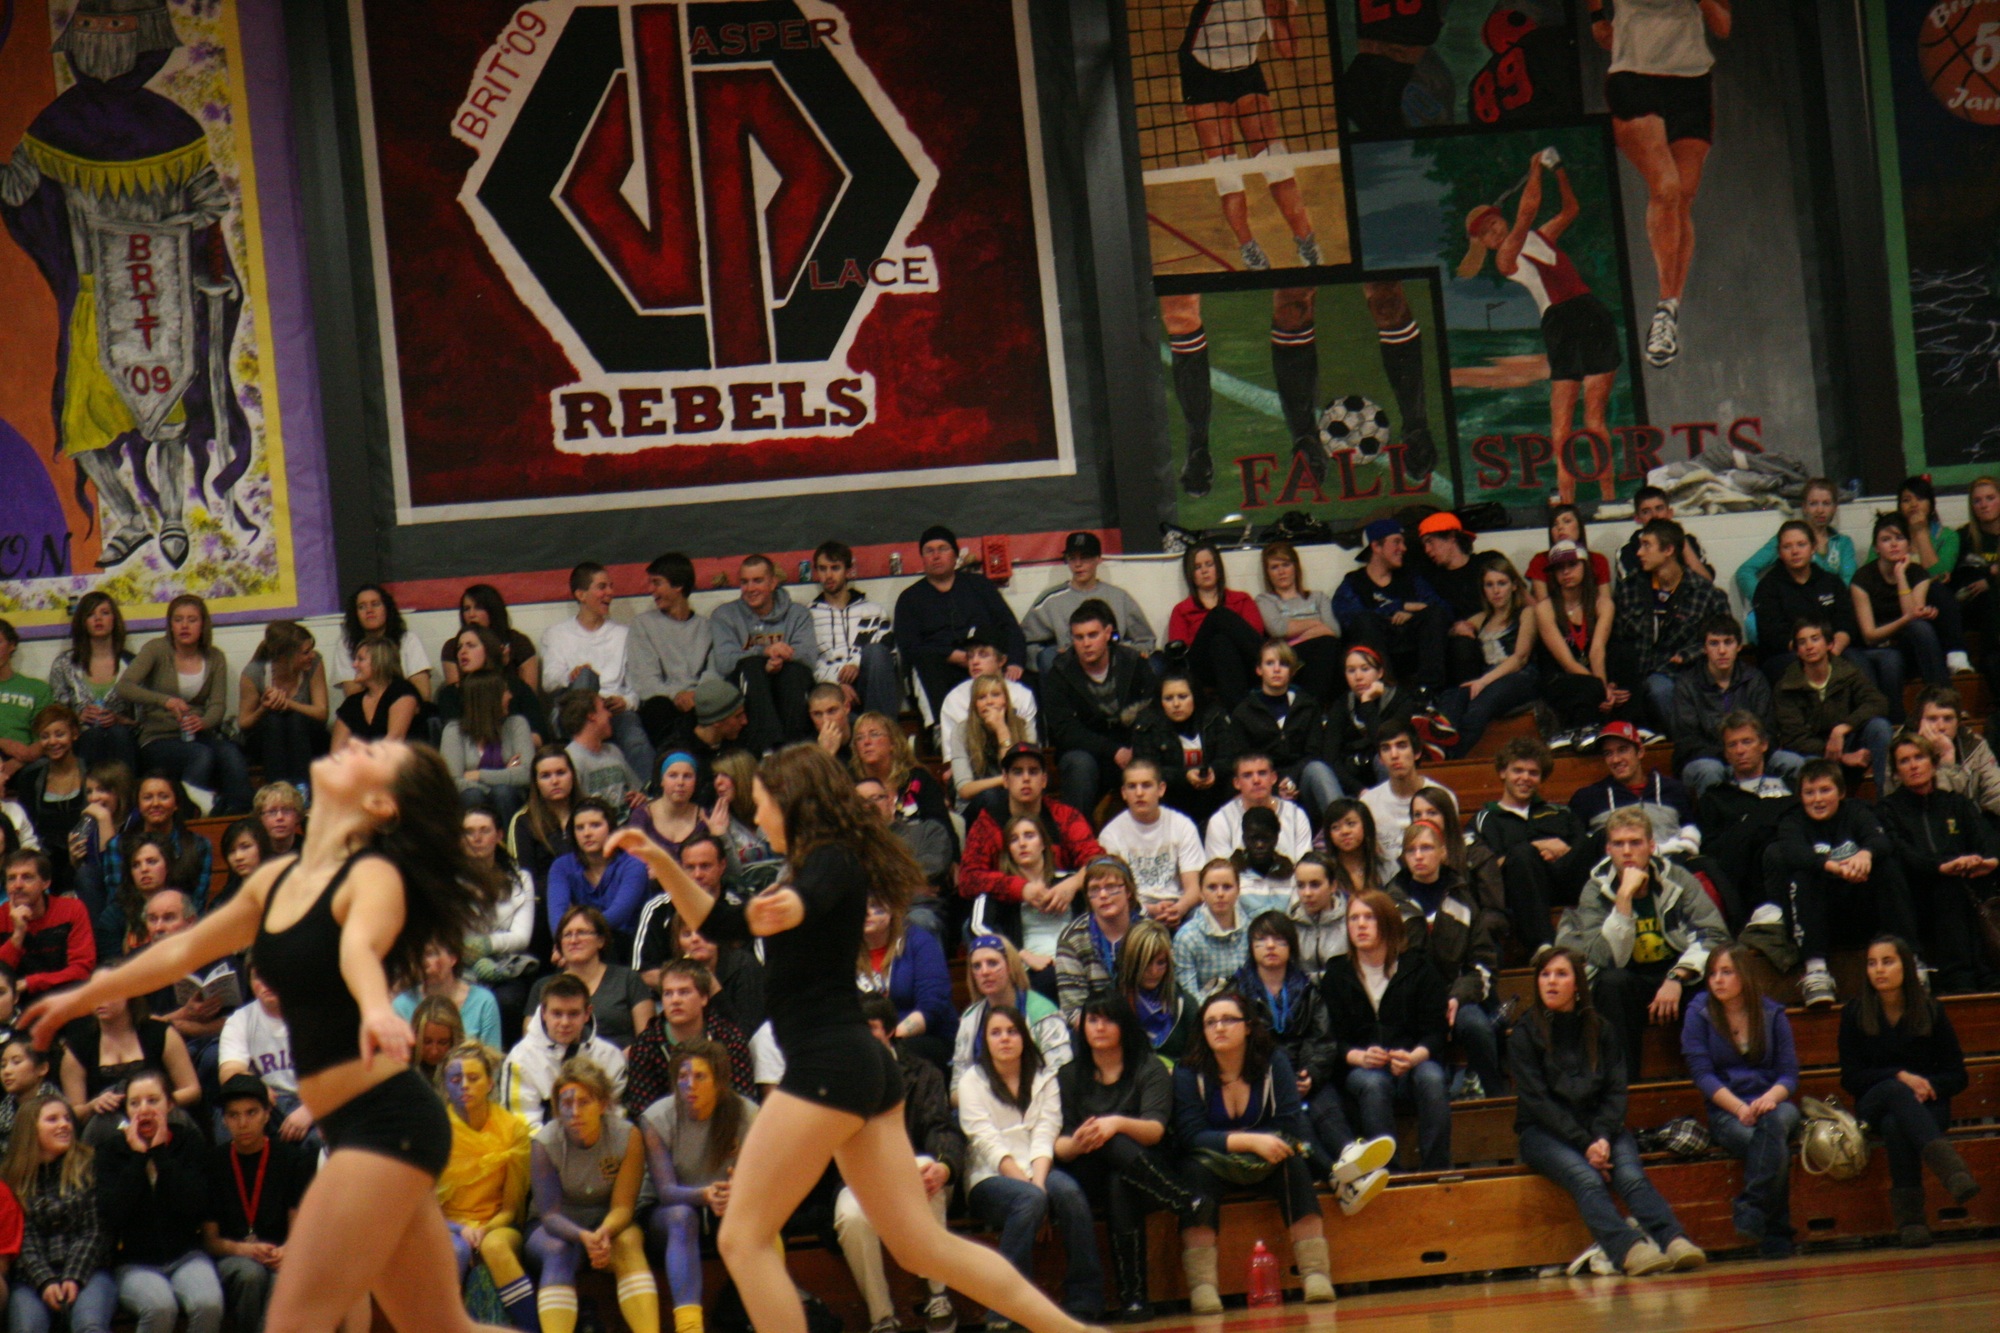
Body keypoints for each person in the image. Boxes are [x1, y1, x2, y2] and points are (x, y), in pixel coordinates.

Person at [25, 733, 528, 1333]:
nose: (355, 746)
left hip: (386, 1123)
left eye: (374, 756)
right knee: (443, 1327)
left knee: (294, 1320)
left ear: (380, 804)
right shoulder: (278, 879)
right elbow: (182, 948)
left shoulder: (373, 876)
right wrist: (86, 994)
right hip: (360, 1125)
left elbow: (359, 947)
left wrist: (376, 1008)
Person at [606, 746, 1106, 1333]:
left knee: (741, 1237)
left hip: (828, 1068)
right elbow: (722, 923)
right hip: (855, 1068)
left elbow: (790, 906)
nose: (755, 815)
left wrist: (780, 907)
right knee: (920, 1247)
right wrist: (659, 861)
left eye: (761, 803)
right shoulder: (808, 866)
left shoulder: (830, 862)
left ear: (791, 801)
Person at [1511, 946, 1705, 1275]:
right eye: (1545, 975)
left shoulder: (1601, 1030)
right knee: (1586, 1179)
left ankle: (1674, 1240)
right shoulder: (1524, 1034)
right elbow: (1537, 1101)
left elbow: (1616, 1092)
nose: (1551, 982)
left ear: (1577, 984)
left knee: (1631, 1177)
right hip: (1544, 1132)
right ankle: (1627, 1249)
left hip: (1601, 1128)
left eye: (1561, 974)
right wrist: (1584, 1143)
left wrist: (1600, 1137)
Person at [1457, 149, 1622, 504]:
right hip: (1562, 323)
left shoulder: (1540, 236)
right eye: (1486, 233)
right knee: (1562, 424)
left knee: (1594, 420)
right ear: (1483, 244)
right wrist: (1535, 166)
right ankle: (1568, 502)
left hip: (1591, 315)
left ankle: (1609, 499)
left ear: (1500, 219)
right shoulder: (1506, 258)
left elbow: (1571, 210)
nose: (1494, 231)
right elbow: (1528, 209)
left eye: (1493, 223)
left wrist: (1558, 169)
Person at [1172, 989, 1338, 1314]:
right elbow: (1190, 1135)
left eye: (1228, 1020)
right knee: (1193, 1172)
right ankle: (1203, 1286)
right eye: (1210, 1022)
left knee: (1294, 1165)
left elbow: (1289, 1121)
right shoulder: (1188, 1071)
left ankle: (1315, 1274)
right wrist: (1249, 1141)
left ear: (1248, 1026)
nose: (1219, 1027)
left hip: (1267, 1156)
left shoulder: (1274, 1062)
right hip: (1212, 1161)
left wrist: (1262, 1144)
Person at [1597, 0, 1730, 365]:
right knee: (1666, 188)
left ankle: (1668, 307)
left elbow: (1723, 26)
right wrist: (1596, 17)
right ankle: (1663, 315)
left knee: (1683, 196)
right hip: (1633, 74)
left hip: (1691, 80)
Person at [1556, 807, 1728, 1086]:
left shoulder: (1678, 879)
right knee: (1611, 983)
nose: (1627, 851)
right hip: (1629, 979)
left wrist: (1677, 977)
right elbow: (1602, 957)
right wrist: (1623, 898)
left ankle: (1713, 1082)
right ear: (1608, 849)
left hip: (1677, 973)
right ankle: (1624, 1087)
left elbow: (1715, 934)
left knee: (1712, 983)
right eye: (1618, 844)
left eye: (1635, 842)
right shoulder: (1595, 889)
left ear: (1651, 846)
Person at [956, 1005, 1103, 1325]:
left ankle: (1085, 1298)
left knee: (1069, 1193)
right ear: (985, 1040)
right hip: (988, 1176)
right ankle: (1005, 1308)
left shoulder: (1044, 1078)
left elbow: (1045, 1134)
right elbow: (986, 1143)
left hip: (1039, 1168)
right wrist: (1035, 1194)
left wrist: (1038, 1186)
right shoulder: (971, 1081)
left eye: (1012, 1031)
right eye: (996, 1033)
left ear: (1024, 1037)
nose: (1005, 1039)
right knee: (1030, 1199)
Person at [1231, 912, 1397, 1193]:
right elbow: (1240, 1046)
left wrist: (1311, 1073)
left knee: (1324, 1099)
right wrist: (1280, 1077)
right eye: (1262, 940)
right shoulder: (1237, 993)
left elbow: (1322, 1039)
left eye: (1279, 940)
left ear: (1292, 947)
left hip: (1304, 1073)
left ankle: (1349, 1152)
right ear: (1250, 947)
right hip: (1262, 1081)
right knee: (1296, 1115)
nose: (1270, 946)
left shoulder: (1308, 989)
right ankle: (1338, 1177)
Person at [1838, 936, 1981, 1247]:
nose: (1879, 970)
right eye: (1872, 963)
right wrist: (1899, 1076)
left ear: (1905, 966)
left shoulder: (1931, 1011)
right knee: (1894, 1089)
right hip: (1873, 1105)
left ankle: (1912, 1222)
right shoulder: (1854, 1013)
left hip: (1927, 1105)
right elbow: (1851, 1079)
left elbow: (1957, 1076)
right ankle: (1951, 1170)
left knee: (1896, 1125)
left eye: (1887, 962)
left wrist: (1930, 1087)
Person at [837, 996, 963, 1333]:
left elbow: (941, 1128)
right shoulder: (838, 1082)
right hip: (858, 1177)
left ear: (890, 1031)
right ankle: (881, 1317)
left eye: (870, 1029)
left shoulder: (923, 1073)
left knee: (925, 1171)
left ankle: (938, 1294)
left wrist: (945, 1166)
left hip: (911, 1168)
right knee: (851, 1216)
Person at [1680, 944, 1800, 1257]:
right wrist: (1740, 1108)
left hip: (1775, 1103)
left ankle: (1751, 1206)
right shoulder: (1699, 1012)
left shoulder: (1772, 1013)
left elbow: (1789, 1075)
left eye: (1726, 972)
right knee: (1769, 1146)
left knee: (1773, 1125)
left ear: (1745, 975)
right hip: (1727, 1110)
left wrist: (1768, 1099)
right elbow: (1703, 1076)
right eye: (1712, 973)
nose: (1717, 980)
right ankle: (1776, 1231)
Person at [525, 1058, 659, 1333]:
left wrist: (603, 1234)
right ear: (557, 1108)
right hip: (555, 1227)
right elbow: (550, 1216)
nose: (574, 1111)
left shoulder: (627, 1136)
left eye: (584, 1102)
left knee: (629, 1240)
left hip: (608, 1222)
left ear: (603, 1104)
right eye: (566, 1103)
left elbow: (623, 1207)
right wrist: (583, 1237)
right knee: (559, 1250)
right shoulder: (544, 1143)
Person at [1321, 889, 1451, 1170]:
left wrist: (1414, 1056)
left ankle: (1437, 1170)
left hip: (1412, 1061)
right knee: (1373, 1084)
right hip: (1362, 1068)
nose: (1360, 925)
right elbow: (1330, 1039)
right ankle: (1389, 1174)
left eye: (1369, 917)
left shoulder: (1419, 967)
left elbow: (1436, 1031)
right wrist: (1359, 1056)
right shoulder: (1336, 975)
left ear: (1388, 923)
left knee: (1432, 1078)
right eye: (1354, 918)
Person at [94, 1067, 224, 1333]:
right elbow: (112, 1213)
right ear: (126, 1110)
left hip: (186, 1255)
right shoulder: (110, 1150)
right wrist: (138, 1158)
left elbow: (196, 1205)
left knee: (209, 1304)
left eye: (153, 1100)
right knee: (160, 1307)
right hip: (134, 1262)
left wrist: (161, 1155)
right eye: (135, 1103)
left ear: (170, 1104)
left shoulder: (188, 1142)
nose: (144, 1110)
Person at [638, 1039, 754, 1333]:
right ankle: (689, 1327)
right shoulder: (656, 1118)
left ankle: (766, 1318)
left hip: (725, 1207)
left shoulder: (747, 1115)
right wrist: (705, 1195)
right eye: (682, 1076)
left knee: (758, 1217)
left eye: (700, 1076)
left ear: (720, 1082)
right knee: (682, 1216)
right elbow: (666, 1192)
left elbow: (765, 1180)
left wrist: (739, 1190)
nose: (689, 1085)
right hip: (666, 1213)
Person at [1386, 821, 1504, 1098]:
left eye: (1426, 848)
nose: (1418, 856)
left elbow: (1484, 963)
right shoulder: (1390, 903)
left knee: (1476, 1025)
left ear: (1443, 852)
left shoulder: (1463, 900)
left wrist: (1456, 997)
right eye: (1411, 850)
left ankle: (1497, 1099)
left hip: (1456, 996)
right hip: (1410, 1005)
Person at [1878, 735, 2000, 995]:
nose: (1913, 765)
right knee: (1946, 885)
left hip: (1964, 889)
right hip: (1914, 896)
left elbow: (1986, 839)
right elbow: (1901, 853)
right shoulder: (1888, 809)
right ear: (1896, 771)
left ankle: (1982, 975)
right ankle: (1961, 978)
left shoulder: (1956, 803)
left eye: (1919, 757)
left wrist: (1988, 860)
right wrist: (1941, 867)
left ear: (1933, 763)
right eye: (1904, 761)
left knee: (1960, 885)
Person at [113, 595, 250, 815]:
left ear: (203, 624)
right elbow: (124, 686)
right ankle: (186, 814)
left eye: (192, 620)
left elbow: (217, 705)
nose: (184, 626)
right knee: (200, 755)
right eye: (178, 620)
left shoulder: (215, 657)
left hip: (198, 733)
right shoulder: (156, 649)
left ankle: (238, 815)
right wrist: (164, 700)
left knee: (230, 753)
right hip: (159, 737)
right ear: (170, 625)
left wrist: (203, 722)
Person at [202, 1073, 317, 1333]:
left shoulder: (292, 1160)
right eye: (234, 1115)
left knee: (284, 1276)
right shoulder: (213, 1164)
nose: (243, 1123)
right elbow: (210, 1241)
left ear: (267, 1114)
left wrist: (286, 1251)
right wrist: (245, 1250)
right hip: (234, 1256)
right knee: (250, 1275)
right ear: (224, 1120)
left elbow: (299, 1230)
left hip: (281, 1253)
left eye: (251, 1113)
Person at [434, 1042, 536, 1332]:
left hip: (497, 1224)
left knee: (495, 1247)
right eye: (456, 1079)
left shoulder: (512, 1129)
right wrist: (460, 1229)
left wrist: (484, 1229)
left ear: (490, 1083)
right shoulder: (435, 1130)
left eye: (473, 1078)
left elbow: (511, 1209)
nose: (464, 1086)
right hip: (446, 1225)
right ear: (445, 1086)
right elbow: (423, 1206)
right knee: (456, 1250)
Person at [958, 745, 1101, 948]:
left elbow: (1101, 863)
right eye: (1017, 772)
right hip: (1008, 918)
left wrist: (1073, 883)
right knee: (970, 928)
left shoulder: (1066, 816)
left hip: (1061, 911)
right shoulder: (987, 823)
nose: (1026, 778)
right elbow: (968, 879)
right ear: (1005, 780)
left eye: (1033, 771)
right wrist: (1020, 888)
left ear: (1044, 780)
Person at [3, 1093, 117, 1333]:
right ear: (30, 1130)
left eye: (66, 1118)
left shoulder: (91, 1165)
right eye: (52, 1119)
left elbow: (95, 1231)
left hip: (89, 1270)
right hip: (32, 1277)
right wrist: (45, 1281)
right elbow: (23, 1241)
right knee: (28, 1328)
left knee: (89, 1325)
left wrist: (73, 1277)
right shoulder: (12, 1178)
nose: (64, 1124)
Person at [540, 563, 656, 783]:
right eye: (602, 587)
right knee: (586, 677)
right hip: (573, 708)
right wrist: (570, 676)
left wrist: (626, 702)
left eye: (611, 586)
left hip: (611, 710)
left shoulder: (624, 634)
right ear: (581, 594)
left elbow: (636, 686)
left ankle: (649, 794)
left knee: (636, 742)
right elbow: (548, 681)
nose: (609, 593)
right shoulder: (556, 634)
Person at [895, 525, 1027, 716]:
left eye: (943, 549)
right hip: (940, 667)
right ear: (922, 558)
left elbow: (1009, 626)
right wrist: (951, 655)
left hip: (986, 663)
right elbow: (909, 647)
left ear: (955, 555)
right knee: (924, 662)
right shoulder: (910, 599)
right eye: (929, 551)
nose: (936, 556)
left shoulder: (979, 585)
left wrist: (1015, 662)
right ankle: (940, 727)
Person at [1610, 519, 1731, 728]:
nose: (1639, 552)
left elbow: (1726, 637)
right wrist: (1613, 679)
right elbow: (1616, 639)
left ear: (1668, 550)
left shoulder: (1705, 593)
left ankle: (1690, 739)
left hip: (1685, 672)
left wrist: (1687, 655)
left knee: (1662, 689)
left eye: (1647, 545)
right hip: (1637, 676)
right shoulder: (1629, 588)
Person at [1470, 739, 1589, 950]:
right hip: (1519, 891)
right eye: (1518, 770)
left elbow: (1583, 853)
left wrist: (1565, 851)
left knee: (1604, 836)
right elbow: (1487, 868)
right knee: (1522, 854)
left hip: (1564, 882)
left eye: (1533, 773)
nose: (1525, 778)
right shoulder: (1484, 820)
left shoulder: (1561, 813)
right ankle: (1542, 947)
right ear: (1502, 772)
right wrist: (1538, 847)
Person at [1043, 602, 1153, 819]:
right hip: (1087, 751)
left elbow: (1152, 709)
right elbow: (1065, 731)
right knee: (1079, 764)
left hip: (1132, 745)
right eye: (1079, 637)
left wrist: (1136, 746)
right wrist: (1113, 751)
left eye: (1092, 635)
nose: (1086, 643)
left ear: (1107, 633)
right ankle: (1077, 835)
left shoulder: (1133, 663)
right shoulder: (1060, 673)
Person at [1670, 614, 1800, 798]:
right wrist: (1731, 753)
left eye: (1728, 642)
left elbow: (1768, 730)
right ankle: (1719, 818)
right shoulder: (1687, 685)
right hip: (1706, 760)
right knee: (1710, 771)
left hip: (1753, 756)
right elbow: (1688, 741)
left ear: (1739, 646)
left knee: (1793, 763)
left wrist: (1748, 753)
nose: (1722, 650)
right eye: (1714, 643)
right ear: (1704, 649)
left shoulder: (1755, 679)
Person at [1692, 713, 1797, 928]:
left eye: (1747, 741)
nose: (1740, 750)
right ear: (1726, 753)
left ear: (1763, 744)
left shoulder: (1792, 787)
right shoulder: (1716, 797)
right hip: (1748, 879)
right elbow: (1713, 850)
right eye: (1732, 745)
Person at [709, 555, 820, 754]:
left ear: (773, 582)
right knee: (751, 667)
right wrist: (764, 654)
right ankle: (767, 750)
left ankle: (793, 753)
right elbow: (724, 662)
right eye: (744, 582)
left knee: (795, 672)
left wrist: (779, 659)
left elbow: (808, 657)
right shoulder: (724, 615)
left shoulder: (798, 613)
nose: (750, 588)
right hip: (747, 684)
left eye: (757, 581)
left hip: (788, 681)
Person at [1752, 517, 1875, 693]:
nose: (1795, 551)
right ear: (1779, 552)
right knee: (1799, 669)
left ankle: (1872, 710)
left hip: (1833, 650)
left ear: (1813, 548)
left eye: (1801, 544)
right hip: (1787, 655)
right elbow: (1772, 634)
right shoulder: (1767, 587)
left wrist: (1831, 652)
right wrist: (1811, 653)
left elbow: (1846, 622)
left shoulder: (1831, 582)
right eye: (1787, 547)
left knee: (1858, 661)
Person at [1853, 512, 1970, 695]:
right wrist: (1906, 619)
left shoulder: (1918, 573)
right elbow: (1870, 635)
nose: (1893, 544)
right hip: (1878, 646)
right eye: (1886, 539)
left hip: (1909, 645)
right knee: (1894, 657)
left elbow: (1913, 618)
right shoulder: (1862, 579)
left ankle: (1942, 698)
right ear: (1876, 547)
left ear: (1909, 544)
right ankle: (1942, 695)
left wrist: (1901, 576)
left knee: (1920, 627)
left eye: (1899, 538)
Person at [1773, 617, 1894, 793]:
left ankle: (1887, 796)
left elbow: (1878, 702)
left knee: (1879, 727)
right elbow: (1795, 739)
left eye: (1815, 639)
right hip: (1814, 754)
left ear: (1829, 644)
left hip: (1847, 740)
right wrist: (1842, 757)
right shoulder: (1786, 686)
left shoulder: (1847, 672)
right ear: (1797, 651)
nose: (1809, 646)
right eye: (1802, 642)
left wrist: (1843, 728)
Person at [59, 995, 199, 1147]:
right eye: (95, 993)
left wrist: (154, 1102)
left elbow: (192, 1090)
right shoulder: (77, 1048)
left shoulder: (161, 1033)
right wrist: (92, 1106)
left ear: (129, 994)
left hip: (162, 1124)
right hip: (107, 1134)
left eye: (109, 993)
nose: (100, 1000)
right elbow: (72, 1113)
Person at [1435, 555, 1540, 757]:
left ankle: (1450, 758)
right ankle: (1436, 748)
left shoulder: (1526, 613)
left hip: (1520, 676)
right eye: (1489, 585)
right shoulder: (1483, 617)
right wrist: (1459, 629)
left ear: (1514, 585)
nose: (1496, 591)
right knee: (1452, 697)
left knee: (1478, 707)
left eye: (1502, 583)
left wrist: (1483, 681)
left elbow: (1520, 658)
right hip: (1489, 677)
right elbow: (1455, 628)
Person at [1333, 519, 1450, 692]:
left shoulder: (1411, 578)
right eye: (1396, 542)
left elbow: (1443, 609)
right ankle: (1387, 692)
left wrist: (1412, 614)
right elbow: (1348, 618)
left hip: (1412, 646)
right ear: (1376, 546)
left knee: (1435, 613)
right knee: (1364, 621)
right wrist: (1401, 606)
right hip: (1379, 649)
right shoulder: (1354, 582)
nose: (1403, 548)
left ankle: (1429, 692)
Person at [624, 960, 755, 1111]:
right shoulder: (646, 1045)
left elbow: (742, 1104)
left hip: (723, 1121)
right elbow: (643, 1112)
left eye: (684, 992)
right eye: (668, 993)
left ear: (704, 998)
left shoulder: (730, 1040)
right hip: (667, 1123)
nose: (675, 1000)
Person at [1024, 533, 1159, 680]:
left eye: (1085, 558)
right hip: (1072, 674)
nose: (1078, 564)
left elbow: (1145, 639)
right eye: (1072, 558)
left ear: (1098, 559)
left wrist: (1132, 653)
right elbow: (1025, 642)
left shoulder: (1119, 597)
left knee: (1156, 664)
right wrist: (1055, 655)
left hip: (1117, 670)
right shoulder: (1051, 600)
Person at [502, 976, 628, 1131]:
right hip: (543, 1144)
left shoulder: (610, 1056)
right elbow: (522, 1125)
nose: (565, 1023)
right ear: (543, 1013)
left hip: (599, 1143)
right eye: (557, 1014)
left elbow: (615, 1118)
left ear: (587, 1013)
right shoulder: (520, 1059)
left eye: (573, 1014)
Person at [953, 936, 1071, 1101]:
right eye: (977, 966)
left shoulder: (1042, 1012)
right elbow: (956, 1089)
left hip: (1039, 1103)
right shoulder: (970, 1019)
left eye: (992, 963)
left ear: (1010, 967)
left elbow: (1063, 1078)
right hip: (983, 1107)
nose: (984, 972)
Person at [1230, 641, 1337, 820]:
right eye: (1270, 663)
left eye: (1284, 664)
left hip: (1302, 781)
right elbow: (1242, 762)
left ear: (1292, 671)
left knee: (1318, 769)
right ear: (1259, 669)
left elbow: (1314, 753)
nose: (1277, 669)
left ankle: (1341, 821)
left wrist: (1291, 778)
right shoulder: (1243, 712)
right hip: (1262, 786)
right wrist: (1274, 786)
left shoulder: (1308, 706)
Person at [460, 807, 539, 1042]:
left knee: (509, 1000)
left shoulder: (520, 879)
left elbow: (522, 936)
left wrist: (487, 944)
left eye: (484, 830)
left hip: (506, 963)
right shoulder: (448, 880)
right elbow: (446, 932)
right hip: (459, 963)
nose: (477, 838)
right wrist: (470, 956)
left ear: (499, 835)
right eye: (469, 832)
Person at [937, 629, 1040, 808]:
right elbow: (954, 773)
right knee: (991, 796)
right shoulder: (954, 700)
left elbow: (1027, 766)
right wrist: (1005, 779)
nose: (975, 661)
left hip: (1015, 789)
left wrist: (1001, 729)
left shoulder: (1022, 697)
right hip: (975, 789)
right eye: (970, 656)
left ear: (1001, 660)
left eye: (983, 654)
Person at [1097, 760, 1204, 927]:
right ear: (1124, 793)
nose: (1139, 793)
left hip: (1178, 906)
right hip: (1133, 910)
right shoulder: (1111, 834)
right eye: (1132, 787)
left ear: (1161, 789)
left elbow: (1194, 889)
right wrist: (1148, 910)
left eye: (1146, 785)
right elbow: (1112, 893)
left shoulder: (1183, 826)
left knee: (1202, 914)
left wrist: (1179, 909)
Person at [1532, 539, 1623, 736]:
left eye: (1572, 565)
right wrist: (1600, 689)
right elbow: (1567, 663)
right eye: (1559, 568)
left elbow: (1597, 650)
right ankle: (1585, 734)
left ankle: (1628, 727)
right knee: (1589, 688)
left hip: (1591, 674)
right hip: (1558, 678)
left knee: (1625, 658)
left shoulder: (1603, 604)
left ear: (1585, 567)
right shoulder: (1544, 608)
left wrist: (1603, 688)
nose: (1566, 572)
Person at [1568, 719, 1698, 856]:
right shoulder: (1588, 798)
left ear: (1640, 752)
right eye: (1608, 753)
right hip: (1617, 867)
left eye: (1622, 750)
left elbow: (1690, 830)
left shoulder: (1673, 789)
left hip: (1672, 864)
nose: (1615, 759)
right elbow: (1577, 847)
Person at [218, 965, 315, 1148]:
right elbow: (229, 1072)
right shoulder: (241, 1019)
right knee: (228, 1117)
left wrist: (311, 1110)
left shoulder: (316, 1013)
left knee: (317, 1141)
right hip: (266, 1101)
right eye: (258, 977)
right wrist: (258, 1088)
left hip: (313, 1099)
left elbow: (345, 1076)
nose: (266, 983)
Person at [857, 892, 956, 1071]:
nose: (867, 912)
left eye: (874, 905)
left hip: (922, 1037)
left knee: (894, 1054)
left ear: (892, 908)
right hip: (866, 1040)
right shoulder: (846, 952)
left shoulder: (919, 942)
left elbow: (932, 1007)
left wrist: (891, 1037)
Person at [1737, 479, 1857, 626]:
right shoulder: (1787, 540)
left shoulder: (1843, 543)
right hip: (1792, 613)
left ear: (1835, 507)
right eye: (1813, 504)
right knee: (1752, 623)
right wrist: (1766, 601)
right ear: (1804, 507)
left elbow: (1848, 581)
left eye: (1826, 503)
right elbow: (1745, 571)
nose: (1820, 510)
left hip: (1828, 611)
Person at [530, 906, 654, 1049]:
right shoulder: (543, 987)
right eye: (567, 935)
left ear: (600, 940)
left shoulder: (628, 979)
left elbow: (647, 1040)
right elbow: (532, 1044)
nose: (574, 940)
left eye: (582, 932)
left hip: (623, 1060)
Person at [1166, 541, 1266, 709]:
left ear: (1218, 568)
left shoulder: (1242, 600)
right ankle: (1276, 660)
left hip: (1244, 665)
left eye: (1209, 564)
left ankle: (1237, 714)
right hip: (1202, 670)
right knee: (1218, 615)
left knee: (1221, 643)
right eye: (1197, 567)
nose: (1204, 571)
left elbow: (1253, 635)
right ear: (1190, 574)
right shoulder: (1182, 610)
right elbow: (1180, 655)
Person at [45, 592, 139, 772]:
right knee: (93, 735)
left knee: (118, 733)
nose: (98, 619)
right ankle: (86, 789)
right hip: (82, 738)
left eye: (104, 613)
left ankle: (126, 789)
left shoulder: (134, 664)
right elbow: (55, 715)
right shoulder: (64, 664)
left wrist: (119, 719)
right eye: (90, 614)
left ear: (114, 619)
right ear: (82, 621)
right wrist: (78, 718)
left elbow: (144, 719)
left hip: (124, 739)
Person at [630, 553, 716, 749]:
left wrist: (696, 695)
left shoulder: (706, 627)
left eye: (657, 583)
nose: (651, 590)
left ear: (678, 586)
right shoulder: (643, 625)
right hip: (665, 703)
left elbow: (714, 670)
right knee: (657, 707)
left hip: (700, 699)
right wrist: (677, 695)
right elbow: (645, 681)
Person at [806, 541, 900, 719]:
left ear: (848, 571)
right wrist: (836, 685)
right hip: (830, 692)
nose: (828, 575)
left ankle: (880, 729)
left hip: (869, 684)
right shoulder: (807, 616)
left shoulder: (874, 611)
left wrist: (856, 664)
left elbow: (889, 657)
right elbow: (808, 662)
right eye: (822, 569)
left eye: (835, 568)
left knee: (876, 651)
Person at [546, 800, 650, 960]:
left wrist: (578, 937)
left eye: (595, 825)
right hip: (581, 943)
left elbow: (618, 915)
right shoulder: (561, 866)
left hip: (629, 946)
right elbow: (556, 915)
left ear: (611, 829)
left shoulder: (633, 866)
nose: (587, 833)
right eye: (580, 828)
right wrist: (565, 941)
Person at [1129, 672, 1236, 826]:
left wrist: (1214, 771)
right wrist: (1184, 776)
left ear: (1194, 697)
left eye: (1182, 696)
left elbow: (1230, 757)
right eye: (1168, 698)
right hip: (1170, 797)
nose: (1176, 704)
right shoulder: (1146, 725)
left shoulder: (1215, 716)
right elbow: (1146, 770)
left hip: (1215, 793)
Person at [237, 622, 328, 792]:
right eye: (305, 652)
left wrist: (289, 704)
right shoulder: (254, 672)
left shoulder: (315, 663)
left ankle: (302, 792)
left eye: (311, 650)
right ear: (286, 657)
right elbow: (244, 723)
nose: (312, 655)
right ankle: (278, 792)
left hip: (307, 734)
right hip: (267, 738)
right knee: (274, 720)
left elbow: (322, 713)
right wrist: (264, 707)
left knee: (295, 719)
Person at [1360, 718, 1451, 881]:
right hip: (1388, 888)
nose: (1394, 755)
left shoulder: (1442, 797)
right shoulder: (1368, 803)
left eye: (1401, 746)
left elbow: (1453, 849)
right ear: (1380, 758)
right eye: (1386, 748)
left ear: (1417, 752)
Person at [1053, 858, 1141, 1026]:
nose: (1103, 895)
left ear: (1128, 891)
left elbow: (1162, 995)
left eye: (1111, 887)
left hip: (1144, 1025)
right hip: (1096, 1029)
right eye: (1094, 889)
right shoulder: (1072, 939)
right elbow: (1073, 1010)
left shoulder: (1148, 934)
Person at [1889, 685, 2000, 817]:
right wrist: (1946, 762)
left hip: (1970, 823)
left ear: (1958, 722)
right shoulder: (1900, 750)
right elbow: (1936, 813)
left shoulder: (1974, 745)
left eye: (1948, 719)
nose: (1941, 727)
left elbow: (1996, 792)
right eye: (1932, 719)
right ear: (1918, 722)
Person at [1252, 540, 1342, 702]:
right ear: (1268, 573)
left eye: (1286, 565)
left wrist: (1296, 631)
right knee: (1326, 644)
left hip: (1322, 651)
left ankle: (1315, 707)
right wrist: (1317, 624)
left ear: (1295, 567)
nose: (1281, 571)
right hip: (1290, 655)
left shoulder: (1318, 597)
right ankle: (1315, 708)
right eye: (1274, 567)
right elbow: (1278, 630)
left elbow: (1334, 631)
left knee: (1331, 647)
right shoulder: (1265, 600)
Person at [442, 671, 535, 820]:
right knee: (473, 795)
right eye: (505, 691)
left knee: (503, 792)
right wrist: (505, 774)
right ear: (489, 698)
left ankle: (511, 835)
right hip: (470, 802)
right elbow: (452, 783)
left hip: (510, 801)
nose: (510, 696)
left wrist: (478, 775)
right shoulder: (454, 731)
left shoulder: (517, 724)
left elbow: (528, 774)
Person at [2, 852, 94, 999]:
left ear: (46, 883)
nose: (18, 885)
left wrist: (30, 983)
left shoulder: (72, 910)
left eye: (27, 877)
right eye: (11, 878)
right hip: (16, 1002)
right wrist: (18, 935)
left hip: (67, 996)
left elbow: (82, 969)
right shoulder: (1, 917)